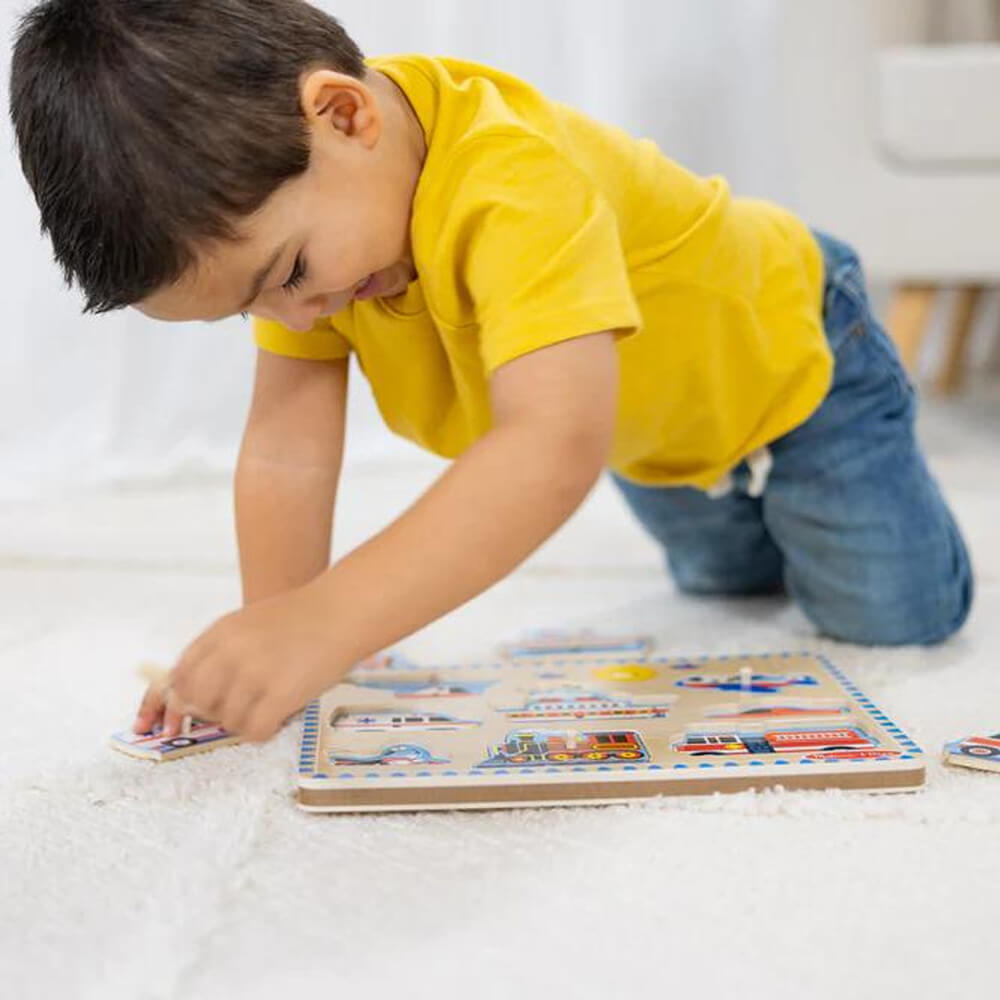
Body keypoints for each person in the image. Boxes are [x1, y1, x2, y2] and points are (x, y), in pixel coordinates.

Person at [8, 0, 973, 742]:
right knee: (726, 586)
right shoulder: (318, 230)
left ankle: (855, 484)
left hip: (794, 352)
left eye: (288, 276)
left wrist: (331, 622)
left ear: (343, 115)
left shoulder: (515, 181)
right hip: (648, 418)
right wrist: (277, 634)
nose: (293, 318)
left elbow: (551, 447)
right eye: (251, 307)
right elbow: (287, 449)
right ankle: (760, 511)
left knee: (893, 616)